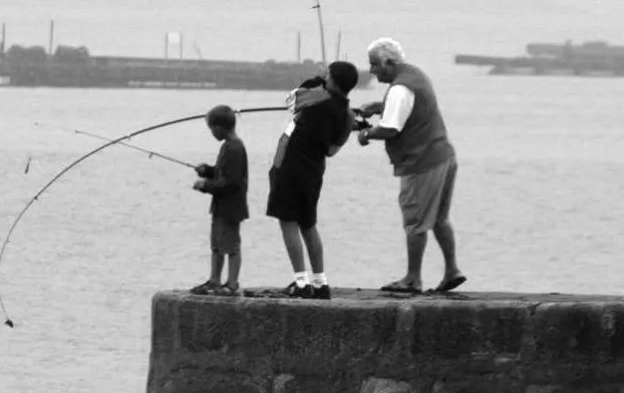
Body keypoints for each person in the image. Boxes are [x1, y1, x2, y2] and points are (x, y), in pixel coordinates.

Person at [355, 37, 465, 294]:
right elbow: (407, 108)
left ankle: (412, 278)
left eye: (375, 65)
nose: (372, 70)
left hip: (422, 162)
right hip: (444, 155)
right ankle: (452, 270)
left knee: (415, 220)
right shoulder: (415, 76)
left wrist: (366, 134)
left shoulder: (400, 88)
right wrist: (380, 107)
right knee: (439, 218)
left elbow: (391, 128)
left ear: (389, 63)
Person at [265, 60, 360, 299]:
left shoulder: (316, 95)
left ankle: (300, 282)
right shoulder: (348, 117)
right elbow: (331, 150)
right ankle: (320, 282)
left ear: (333, 81)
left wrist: (316, 82)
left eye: (327, 74)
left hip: (288, 164)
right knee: (308, 224)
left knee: (288, 222)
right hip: (314, 170)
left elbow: (290, 101)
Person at [191, 105, 248, 295]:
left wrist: (205, 186)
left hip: (232, 207)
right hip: (220, 207)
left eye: (211, 129)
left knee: (231, 247)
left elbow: (231, 182)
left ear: (219, 128)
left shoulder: (235, 148)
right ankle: (214, 281)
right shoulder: (228, 146)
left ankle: (232, 284)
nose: (211, 133)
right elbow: (222, 172)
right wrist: (208, 170)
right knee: (216, 245)